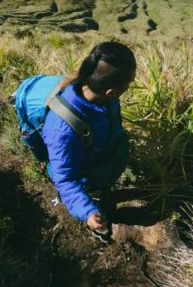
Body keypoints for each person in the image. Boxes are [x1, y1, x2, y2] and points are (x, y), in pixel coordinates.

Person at [14, 41, 136, 243]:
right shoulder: (61, 131)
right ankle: (90, 211)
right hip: (75, 161)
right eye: (128, 85)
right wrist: (88, 213)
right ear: (111, 92)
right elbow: (66, 178)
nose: (129, 87)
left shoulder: (103, 95)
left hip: (93, 149)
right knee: (79, 185)